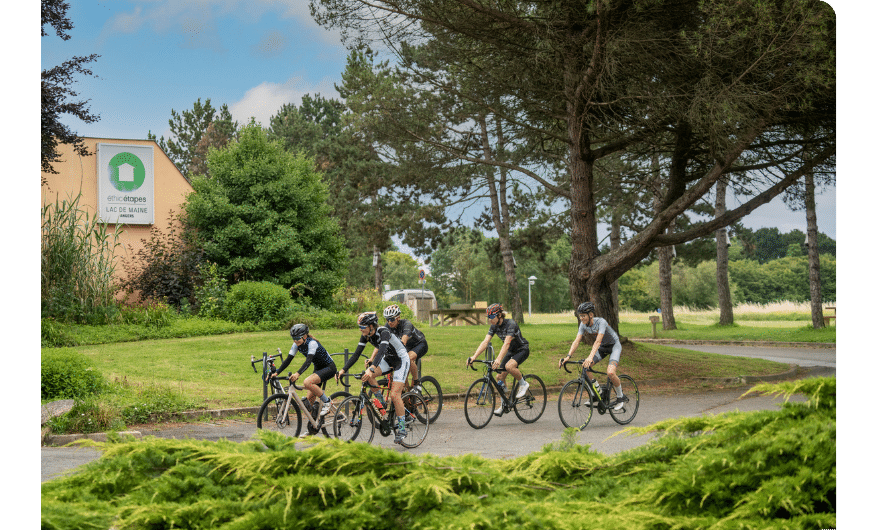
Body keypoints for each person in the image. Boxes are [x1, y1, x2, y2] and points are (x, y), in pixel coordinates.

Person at [337, 312, 412, 444]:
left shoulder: (384, 332)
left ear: (371, 326)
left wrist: (372, 368)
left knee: (395, 395)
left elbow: (381, 351)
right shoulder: (365, 335)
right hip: (388, 359)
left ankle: (402, 429)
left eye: (362, 326)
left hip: (401, 360)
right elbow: (356, 354)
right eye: (359, 327)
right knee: (368, 376)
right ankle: (381, 401)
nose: (360, 329)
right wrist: (342, 370)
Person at [269, 323, 337, 436]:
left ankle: (327, 402)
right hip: (318, 369)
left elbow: (308, 361)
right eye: (293, 338)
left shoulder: (312, 343)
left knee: (307, 382)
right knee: (307, 404)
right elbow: (288, 360)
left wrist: (298, 373)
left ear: (305, 336)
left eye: (297, 338)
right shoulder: (296, 344)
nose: (295, 341)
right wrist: (276, 372)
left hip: (329, 368)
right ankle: (313, 428)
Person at [558, 301, 627, 410]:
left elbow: (598, 341)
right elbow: (576, 341)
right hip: (603, 347)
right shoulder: (583, 325)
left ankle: (620, 397)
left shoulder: (601, 322)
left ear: (591, 315)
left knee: (610, 373)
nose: (581, 318)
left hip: (614, 346)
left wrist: (590, 357)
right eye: (580, 316)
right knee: (586, 367)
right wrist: (568, 356)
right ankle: (597, 393)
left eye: (583, 316)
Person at [465, 303, 530, 417]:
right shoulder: (494, 326)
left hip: (522, 350)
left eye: (491, 317)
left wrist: (498, 359)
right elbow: (485, 342)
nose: (489, 320)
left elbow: (506, 343)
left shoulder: (511, 324)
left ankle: (523, 384)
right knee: (499, 377)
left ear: (499, 315)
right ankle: (504, 403)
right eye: (488, 317)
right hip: (511, 351)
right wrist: (474, 357)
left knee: (509, 366)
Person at [383, 304, 429, 392]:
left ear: (398, 318)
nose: (389, 322)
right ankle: (406, 392)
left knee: (408, 358)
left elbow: (403, 341)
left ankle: (417, 382)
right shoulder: (387, 327)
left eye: (392, 319)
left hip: (419, 344)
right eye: (387, 319)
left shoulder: (406, 324)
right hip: (407, 347)